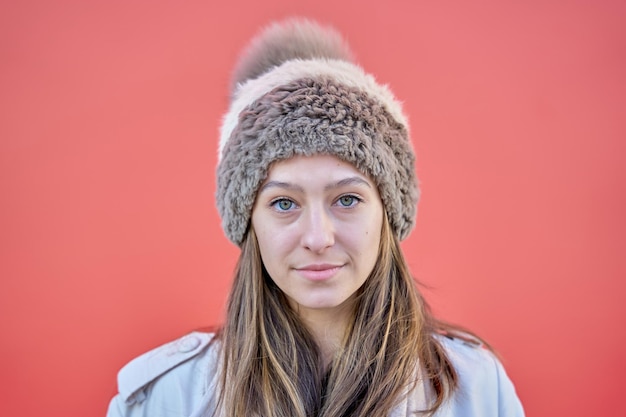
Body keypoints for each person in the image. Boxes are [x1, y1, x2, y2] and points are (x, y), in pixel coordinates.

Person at [106, 18, 525, 417]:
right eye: (284, 203)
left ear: (388, 214)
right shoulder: (162, 399)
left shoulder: (477, 391)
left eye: (346, 199)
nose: (318, 237)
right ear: (249, 222)